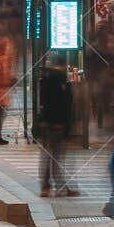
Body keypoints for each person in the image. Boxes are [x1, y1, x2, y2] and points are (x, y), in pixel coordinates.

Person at [36, 63, 76, 196]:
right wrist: (68, 126)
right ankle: (61, 187)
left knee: (47, 156)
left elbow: (42, 103)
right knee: (57, 158)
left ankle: (45, 187)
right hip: (59, 125)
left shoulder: (45, 81)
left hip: (46, 124)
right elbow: (67, 105)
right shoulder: (62, 81)